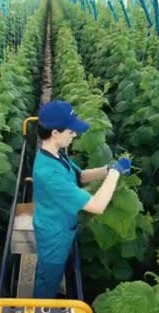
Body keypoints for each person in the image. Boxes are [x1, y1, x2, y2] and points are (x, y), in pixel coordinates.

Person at [31, 100, 131, 299]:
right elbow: (97, 206)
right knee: (48, 278)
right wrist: (116, 174)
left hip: (62, 226)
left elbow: (81, 176)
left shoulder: (57, 155)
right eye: (71, 131)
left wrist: (107, 169)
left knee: (53, 271)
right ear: (55, 133)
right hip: (54, 235)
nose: (75, 135)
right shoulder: (48, 172)